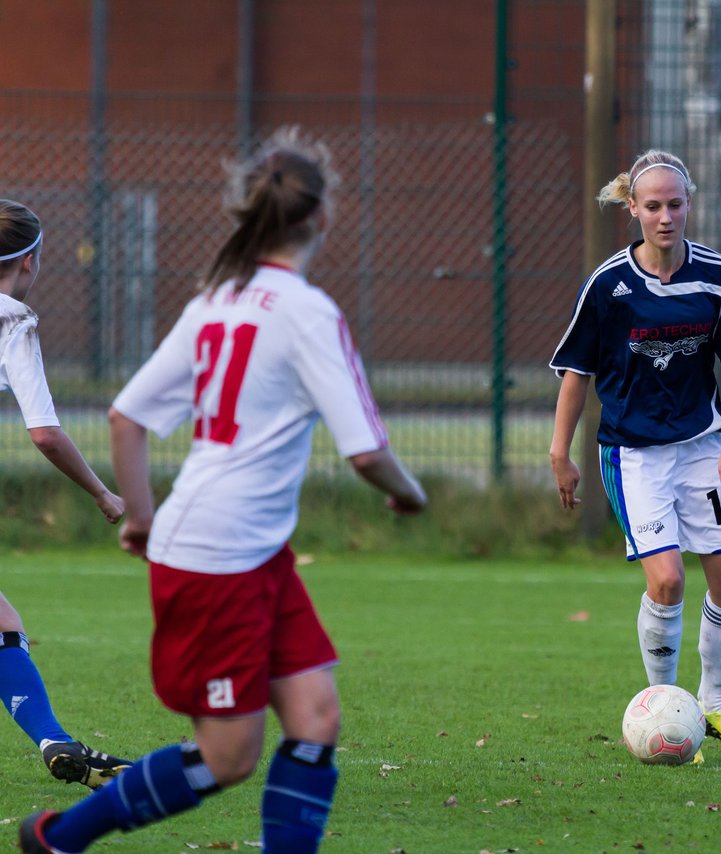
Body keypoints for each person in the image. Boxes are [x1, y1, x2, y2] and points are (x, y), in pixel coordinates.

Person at [20, 127, 427, 853]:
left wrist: (141, 518)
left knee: (315, 716)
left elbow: (127, 417)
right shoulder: (307, 312)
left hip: (248, 551)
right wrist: (410, 493)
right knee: (227, 758)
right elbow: (367, 454)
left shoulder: (217, 299)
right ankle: (59, 838)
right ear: (323, 216)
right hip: (216, 559)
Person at [549, 149, 721, 761]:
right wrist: (558, 453)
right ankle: (665, 709)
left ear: (689, 205)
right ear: (633, 210)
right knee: (667, 581)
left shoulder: (718, 277)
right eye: (653, 206)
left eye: (675, 204)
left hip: (701, 446)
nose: (665, 216)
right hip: (634, 454)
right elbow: (575, 373)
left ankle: (717, 707)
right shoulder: (609, 286)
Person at [0, 200, 133, 790]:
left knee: (2, 623)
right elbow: (47, 433)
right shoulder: (13, 321)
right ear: (29, 260)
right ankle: (53, 737)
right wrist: (104, 493)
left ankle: (55, 739)